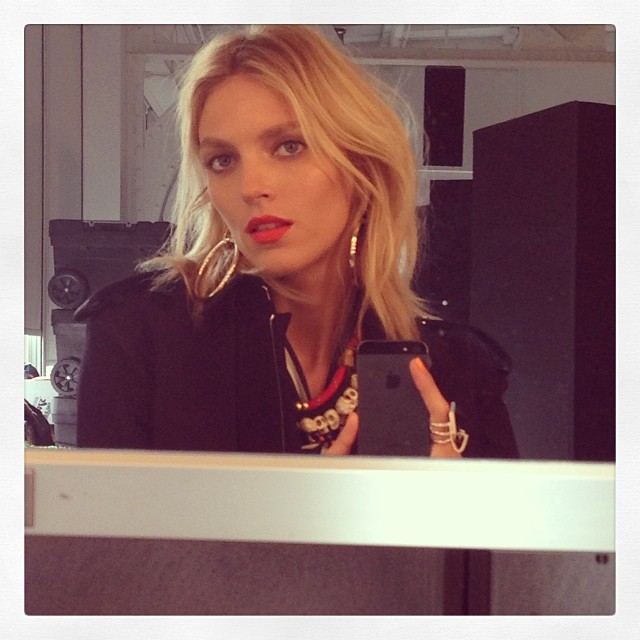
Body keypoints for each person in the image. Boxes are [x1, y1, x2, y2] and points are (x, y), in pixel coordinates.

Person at [75, 24, 519, 459]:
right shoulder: (139, 336)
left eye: (289, 146)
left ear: (361, 165)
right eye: (223, 160)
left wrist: (451, 505)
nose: (252, 186)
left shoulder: (456, 370)